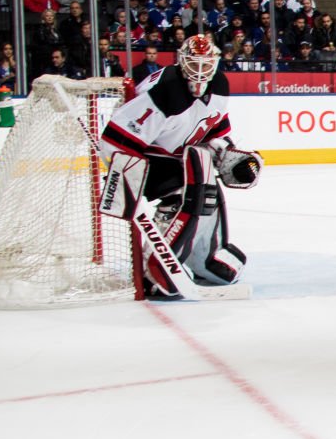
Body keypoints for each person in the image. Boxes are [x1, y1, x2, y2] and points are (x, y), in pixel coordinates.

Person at [98, 35, 263, 297]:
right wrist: (126, 178)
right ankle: (157, 265)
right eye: (193, 64)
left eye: (205, 64)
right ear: (181, 61)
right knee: (187, 193)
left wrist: (225, 151)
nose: (199, 72)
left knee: (209, 192)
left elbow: (212, 128)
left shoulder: (219, 83)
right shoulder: (167, 90)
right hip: (150, 157)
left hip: (180, 156)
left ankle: (206, 259)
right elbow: (115, 139)